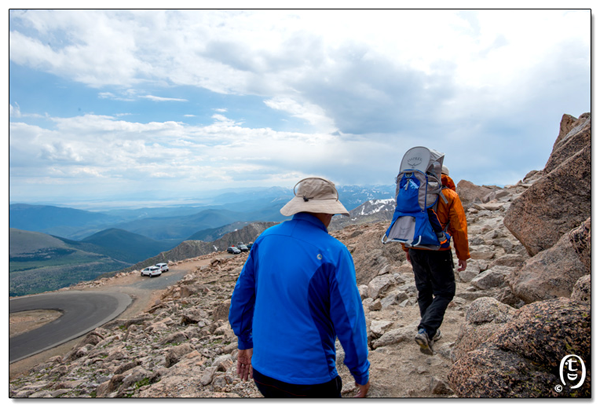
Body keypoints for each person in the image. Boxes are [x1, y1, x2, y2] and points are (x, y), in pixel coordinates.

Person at [229, 177, 371, 398]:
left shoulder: (265, 238)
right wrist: (361, 374)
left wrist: (244, 341)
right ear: (327, 211)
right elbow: (349, 321)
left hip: (263, 372)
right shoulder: (335, 252)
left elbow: (242, 296)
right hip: (311, 378)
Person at [405, 164, 470, 355]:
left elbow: (405, 221)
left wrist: (406, 248)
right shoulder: (449, 195)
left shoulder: (414, 193)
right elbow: (458, 228)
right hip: (438, 249)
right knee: (445, 292)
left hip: (416, 247)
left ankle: (428, 331)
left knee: (424, 290)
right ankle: (426, 330)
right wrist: (463, 255)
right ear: (447, 177)